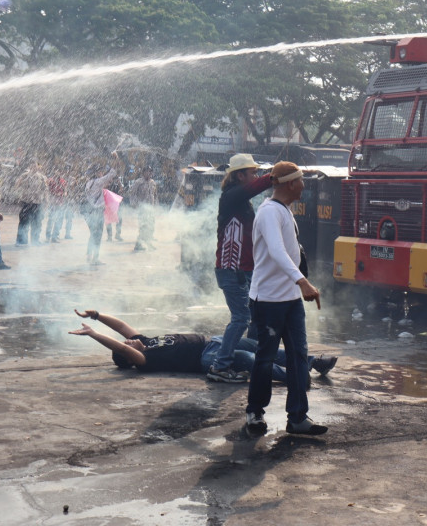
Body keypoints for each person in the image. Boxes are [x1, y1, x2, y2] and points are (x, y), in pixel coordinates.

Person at [245, 161, 327, 435]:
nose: (304, 185)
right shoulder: (269, 212)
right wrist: (302, 282)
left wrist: (298, 285)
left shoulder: (284, 210)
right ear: (291, 184)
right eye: (302, 180)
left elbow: (291, 253)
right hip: (268, 300)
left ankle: (297, 417)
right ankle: (255, 413)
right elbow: (277, 251)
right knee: (265, 359)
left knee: (298, 357)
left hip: (290, 301)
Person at [68, 309, 336, 381]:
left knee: (261, 348)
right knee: (251, 360)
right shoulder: (146, 361)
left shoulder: (147, 341)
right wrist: (93, 334)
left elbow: (121, 326)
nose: (128, 340)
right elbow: (122, 346)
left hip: (214, 341)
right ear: (129, 358)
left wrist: (96, 316)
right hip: (208, 358)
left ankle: (312, 363)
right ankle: (296, 378)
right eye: (126, 346)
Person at [207, 154, 273, 383]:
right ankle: (220, 365)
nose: (256, 175)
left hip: (245, 269)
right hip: (231, 269)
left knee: (256, 315)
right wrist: (274, 176)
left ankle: (253, 358)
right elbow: (256, 186)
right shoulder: (231, 196)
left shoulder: (242, 201)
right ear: (239, 175)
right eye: (252, 172)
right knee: (241, 317)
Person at [83, 160, 117, 266]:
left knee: (93, 234)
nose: (102, 173)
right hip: (97, 212)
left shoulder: (89, 183)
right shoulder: (97, 182)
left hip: (88, 212)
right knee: (97, 235)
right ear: (97, 173)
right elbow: (112, 173)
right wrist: (115, 159)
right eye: (101, 172)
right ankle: (95, 259)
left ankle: (89, 256)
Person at [14, 158, 48, 246]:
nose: (34, 167)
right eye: (32, 166)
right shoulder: (25, 175)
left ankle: (35, 240)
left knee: (37, 222)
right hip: (27, 202)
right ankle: (21, 241)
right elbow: (17, 185)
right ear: (30, 166)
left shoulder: (41, 177)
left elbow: (45, 190)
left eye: (35, 166)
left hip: (37, 202)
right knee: (24, 221)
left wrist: (46, 201)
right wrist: (19, 196)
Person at [130, 165, 158, 252]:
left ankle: (142, 244)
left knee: (151, 227)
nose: (149, 173)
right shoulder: (138, 182)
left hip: (151, 209)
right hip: (142, 208)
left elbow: (155, 195)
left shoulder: (153, 182)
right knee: (144, 227)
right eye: (147, 172)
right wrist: (134, 204)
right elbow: (132, 193)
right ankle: (143, 244)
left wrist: (156, 205)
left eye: (150, 172)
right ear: (143, 173)